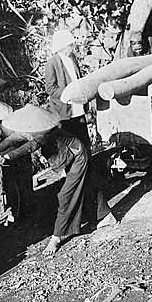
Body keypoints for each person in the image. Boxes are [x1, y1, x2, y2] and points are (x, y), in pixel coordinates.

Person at [39, 127, 116, 255]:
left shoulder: (43, 129)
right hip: (71, 152)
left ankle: (57, 237)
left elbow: (32, 144)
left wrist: (8, 156)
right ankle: (106, 216)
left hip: (78, 155)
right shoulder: (42, 127)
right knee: (85, 186)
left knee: (65, 195)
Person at [44, 29, 89, 145]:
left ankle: (88, 162)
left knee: (84, 139)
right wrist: (68, 93)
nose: (72, 48)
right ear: (62, 46)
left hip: (78, 105)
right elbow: (50, 88)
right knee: (70, 142)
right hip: (64, 109)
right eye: (69, 46)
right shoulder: (52, 63)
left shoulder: (72, 57)